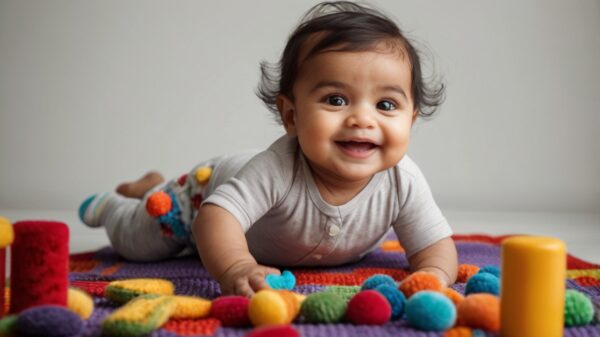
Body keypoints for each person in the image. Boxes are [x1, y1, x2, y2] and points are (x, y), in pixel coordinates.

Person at [79, 1, 458, 297]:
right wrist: (237, 267)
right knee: (140, 242)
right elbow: (216, 219)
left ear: (411, 119)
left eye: (386, 105)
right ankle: (120, 204)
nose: (362, 119)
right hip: (197, 197)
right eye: (336, 100)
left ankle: (149, 185)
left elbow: (435, 248)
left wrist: (433, 278)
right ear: (291, 116)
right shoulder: (277, 169)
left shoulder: (402, 180)